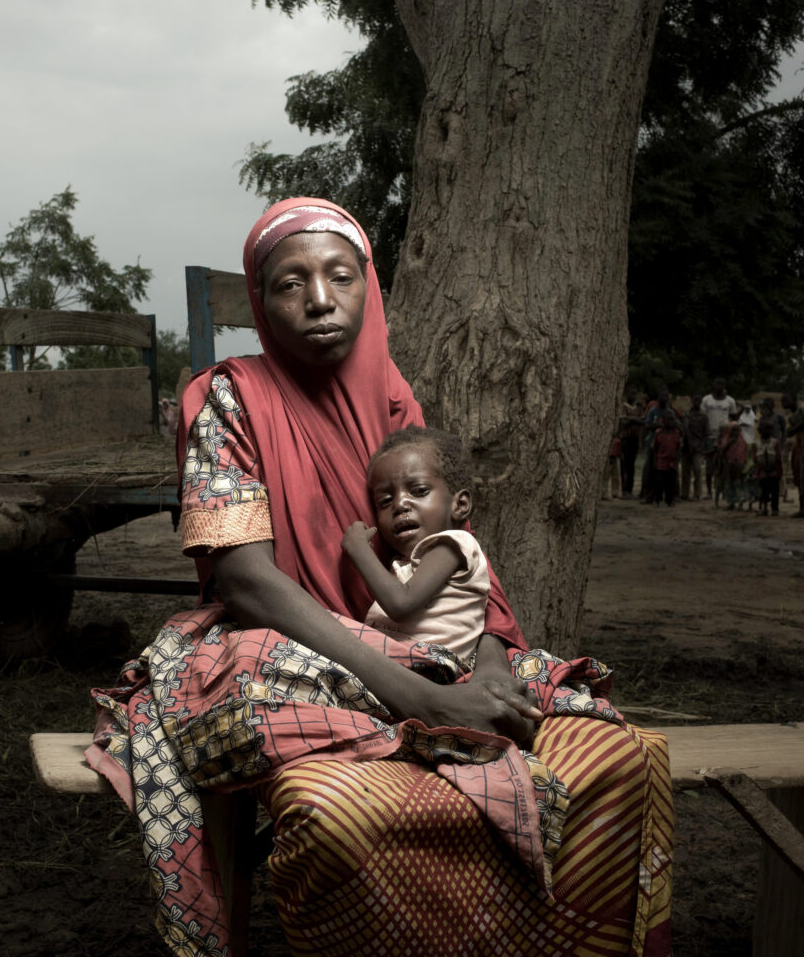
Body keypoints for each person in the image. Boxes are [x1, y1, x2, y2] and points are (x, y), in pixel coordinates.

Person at [86, 198, 673, 957]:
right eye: (290, 283)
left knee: (618, 757)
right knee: (317, 778)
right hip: (286, 641)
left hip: (412, 638)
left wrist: (488, 666)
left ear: (371, 288)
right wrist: (422, 695)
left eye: (340, 276)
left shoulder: (394, 397)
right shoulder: (225, 398)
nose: (320, 300)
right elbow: (245, 581)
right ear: (262, 304)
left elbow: (454, 547)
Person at [341, 427, 489, 665]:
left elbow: (400, 604)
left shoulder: (452, 545)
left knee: (322, 626)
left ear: (459, 504)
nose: (400, 504)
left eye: (419, 491)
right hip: (406, 666)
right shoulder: (408, 564)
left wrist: (359, 549)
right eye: (385, 501)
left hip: (427, 663)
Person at [681, 395, 709, 500]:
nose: (697, 402)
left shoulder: (703, 416)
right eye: (695, 400)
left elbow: (706, 433)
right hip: (686, 447)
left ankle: (697, 494)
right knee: (685, 472)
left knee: (697, 471)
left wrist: (701, 445)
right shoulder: (686, 416)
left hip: (697, 447)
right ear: (692, 401)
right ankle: (684, 493)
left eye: (699, 401)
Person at [752, 418, 782, 516]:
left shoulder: (775, 442)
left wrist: (777, 469)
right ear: (761, 430)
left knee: (775, 491)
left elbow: (778, 457)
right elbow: (754, 458)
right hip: (762, 471)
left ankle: (775, 508)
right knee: (763, 491)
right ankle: (763, 508)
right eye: (767, 429)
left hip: (774, 471)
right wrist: (759, 469)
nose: (769, 431)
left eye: (771, 429)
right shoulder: (756, 443)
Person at [652, 410, 682, 507]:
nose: (671, 422)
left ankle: (670, 500)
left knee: (671, 482)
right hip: (661, 462)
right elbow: (655, 448)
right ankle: (657, 499)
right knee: (660, 482)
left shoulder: (676, 433)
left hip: (672, 463)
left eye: (673, 419)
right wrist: (655, 461)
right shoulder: (659, 433)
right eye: (669, 420)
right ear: (664, 421)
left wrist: (677, 459)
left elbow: (678, 447)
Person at [618, 386, 643, 497]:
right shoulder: (624, 406)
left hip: (635, 439)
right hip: (626, 439)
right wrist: (635, 420)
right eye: (631, 394)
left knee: (631, 465)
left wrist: (630, 419)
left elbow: (643, 421)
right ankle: (624, 490)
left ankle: (629, 489)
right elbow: (623, 422)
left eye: (634, 394)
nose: (633, 396)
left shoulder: (638, 408)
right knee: (625, 464)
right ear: (627, 395)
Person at [783, 392, 804, 518]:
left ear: (794, 399)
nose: (784, 404)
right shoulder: (791, 416)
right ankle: (802, 508)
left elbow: (791, 430)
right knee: (800, 478)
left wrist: (794, 429)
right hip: (800, 447)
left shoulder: (802, 409)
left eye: (786, 400)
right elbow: (788, 432)